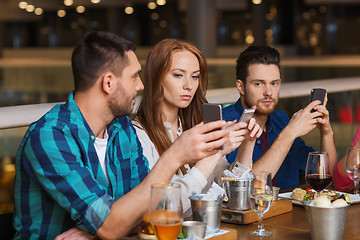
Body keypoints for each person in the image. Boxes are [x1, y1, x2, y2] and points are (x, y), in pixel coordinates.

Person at [13, 31, 230, 239]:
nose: (141, 85)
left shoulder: (121, 128)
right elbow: (111, 226)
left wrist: (97, 232)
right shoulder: (50, 137)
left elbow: (153, 207)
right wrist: (174, 156)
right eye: (134, 76)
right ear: (108, 83)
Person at [132, 38, 262, 215]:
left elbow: (229, 193)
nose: (189, 86)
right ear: (156, 77)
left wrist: (248, 142)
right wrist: (217, 152)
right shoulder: (138, 135)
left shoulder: (196, 127)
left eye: (195, 76)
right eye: (178, 75)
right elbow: (164, 208)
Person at [222, 45, 338, 190]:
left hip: (290, 211)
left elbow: (326, 175)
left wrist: (326, 132)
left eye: (274, 83)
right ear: (241, 87)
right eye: (258, 84)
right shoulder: (225, 124)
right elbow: (244, 190)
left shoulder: (280, 119)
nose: (269, 92)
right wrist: (289, 133)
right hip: (255, 212)